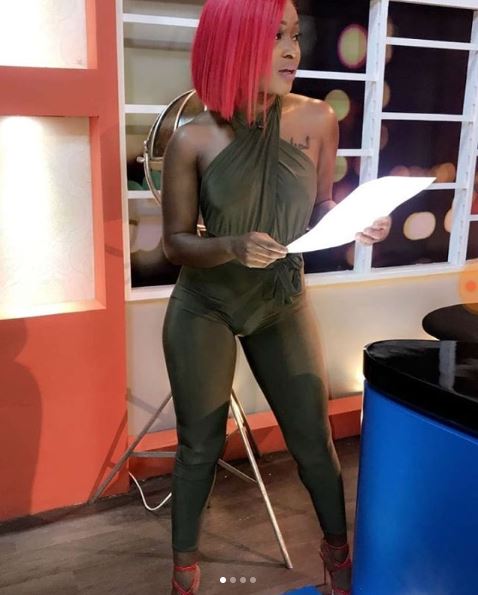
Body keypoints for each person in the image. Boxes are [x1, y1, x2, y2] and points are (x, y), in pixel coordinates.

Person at [161, 1, 391, 593]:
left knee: (314, 440)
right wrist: (231, 246)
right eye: (274, 37)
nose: (292, 50)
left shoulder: (318, 118)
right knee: (199, 446)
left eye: (295, 35)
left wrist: (355, 220)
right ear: (232, 44)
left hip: (281, 300)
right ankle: (184, 573)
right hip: (205, 305)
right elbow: (176, 244)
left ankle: (338, 559)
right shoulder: (193, 138)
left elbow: (320, 206)